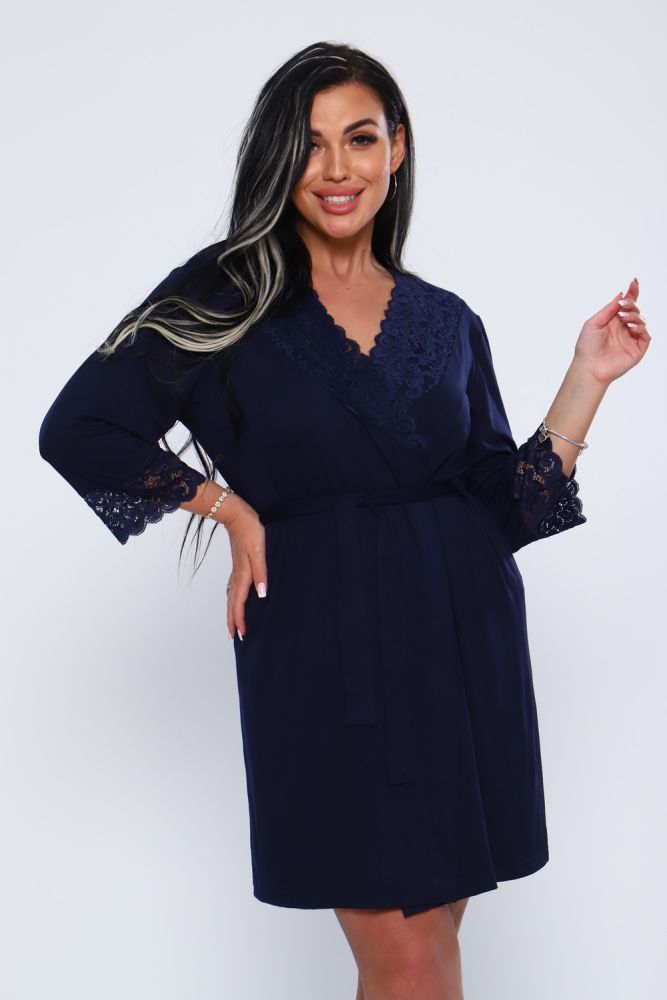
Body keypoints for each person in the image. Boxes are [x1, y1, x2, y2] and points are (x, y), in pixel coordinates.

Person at [38, 40, 650, 1000]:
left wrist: (587, 378)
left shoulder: (446, 319)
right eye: (310, 143)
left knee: (427, 943)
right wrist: (227, 506)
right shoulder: (224, 293)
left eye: (359, 139)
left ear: (395, 149)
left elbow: (505, 506)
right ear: (280, 158)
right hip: (326, 647)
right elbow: (79, 427)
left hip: (464, 643)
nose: (335, 168)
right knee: (407, 957)